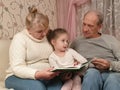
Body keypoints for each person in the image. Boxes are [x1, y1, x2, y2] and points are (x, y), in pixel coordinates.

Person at [5, 6, 63, 90]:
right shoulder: (20, 38)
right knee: (38, 87)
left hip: (45, 77)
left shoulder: (48, 37)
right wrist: (38, 74)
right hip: (16, 76)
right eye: (39, 31)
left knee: (57, 86)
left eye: (45, 29)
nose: (44, 34)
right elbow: (17, 67)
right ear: (29, 30)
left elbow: (58, 55)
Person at [70, 10, 120, 90]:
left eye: (90, 26)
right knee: (92, 73)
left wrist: (110, 65)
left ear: (99, 27)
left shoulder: (111, 40)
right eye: (84, 24)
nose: (85, 29)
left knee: (113, 79)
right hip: (89, 74)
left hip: (111, 73)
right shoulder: (76, 42)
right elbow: (65, 60)